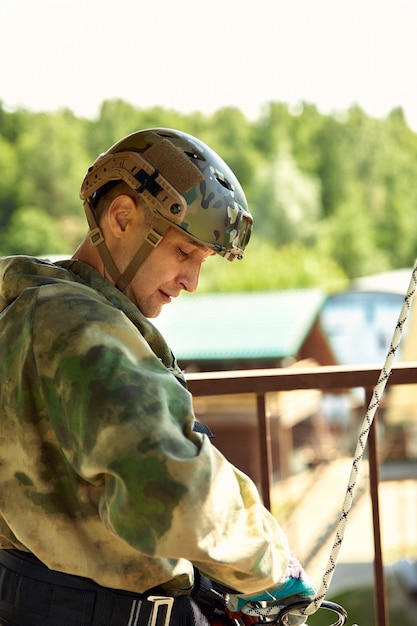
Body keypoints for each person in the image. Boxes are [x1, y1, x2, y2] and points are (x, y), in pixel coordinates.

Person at [0, 128, 315, 626]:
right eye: (184, 253)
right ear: (122, 217)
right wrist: (272, 567)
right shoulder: (82, 332)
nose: (191, 281)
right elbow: (175, 493)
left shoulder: (31, 306)